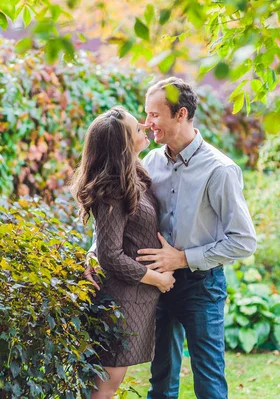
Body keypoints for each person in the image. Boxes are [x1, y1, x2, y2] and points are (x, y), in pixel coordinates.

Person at [86, 78, 257, 399]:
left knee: (208, 380)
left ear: (180, 114)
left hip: (201, 285)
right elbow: (119, 217)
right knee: (162, 380)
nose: (147, 124)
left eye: (153, 115)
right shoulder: (148, 162)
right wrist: (95, 251)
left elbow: (244, 241)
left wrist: (182, 258)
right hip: (155, 285)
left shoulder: (219, 170)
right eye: (146, 116)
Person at [71, 106, 176, 399]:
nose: (144, 127)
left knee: (106, 387)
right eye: (137, 129)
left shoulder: (134, 174)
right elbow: (110, 255)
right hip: (120, 302)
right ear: (124, 143)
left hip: (134, 299)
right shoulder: (113, 190)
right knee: (103, 389)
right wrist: (157, 279)